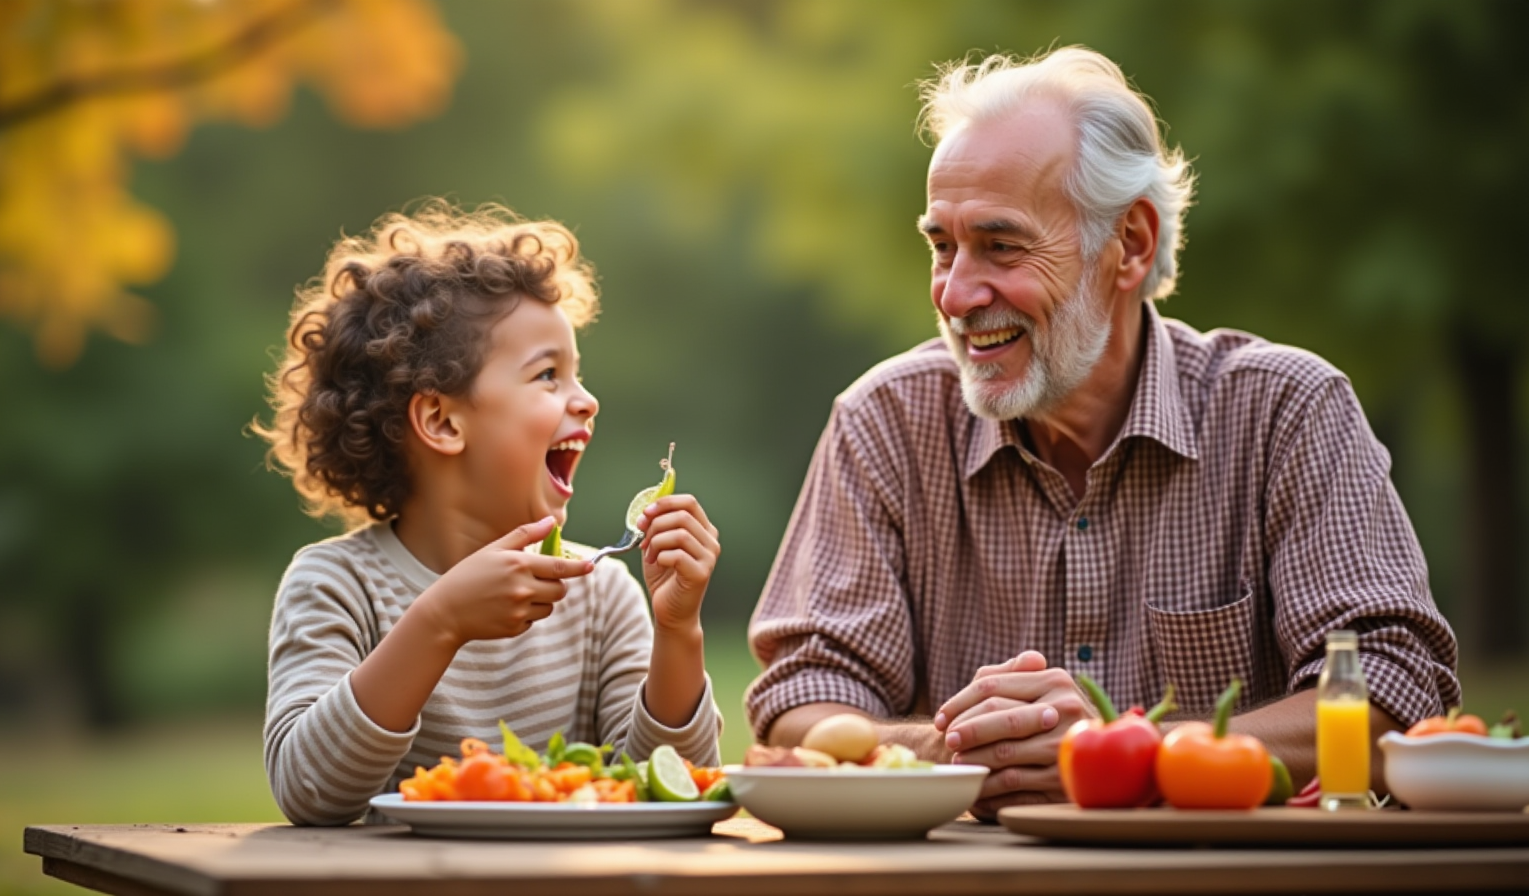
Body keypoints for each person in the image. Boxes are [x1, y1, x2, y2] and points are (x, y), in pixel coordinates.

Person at [746, 47, 1458, 818]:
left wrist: (1127, 753)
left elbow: (1393, 691)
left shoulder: (1287, 410)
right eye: (942, 247)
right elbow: (800, 698)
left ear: (1132, 244)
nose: (955, 294)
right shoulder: (883, 422)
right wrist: (957, 751)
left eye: (1002, 245)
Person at [256, 202, 722, 825]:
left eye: (578, 374)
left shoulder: (600, 597)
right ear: (443, 421)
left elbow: (669, 787)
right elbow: (310, 791)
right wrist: (441, 621)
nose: (587, 401)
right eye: (548, 375)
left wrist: (678, 632)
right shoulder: (336, 587)